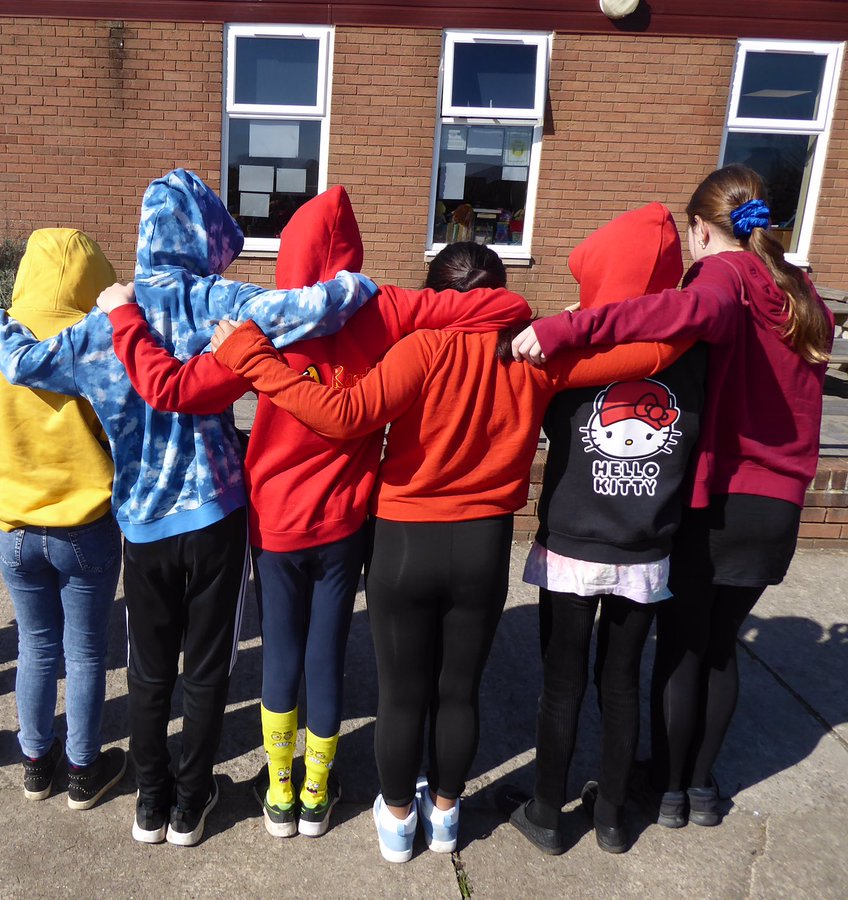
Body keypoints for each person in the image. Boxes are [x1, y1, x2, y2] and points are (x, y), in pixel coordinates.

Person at [208, 242, 686, 864]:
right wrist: (594, 320)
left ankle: (397, 825)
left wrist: (251, 358)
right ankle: (444, 816)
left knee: (400, 693)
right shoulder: (535, 352)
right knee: (459, 690)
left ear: (435, 293)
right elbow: (655, 350)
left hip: (405, 540)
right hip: (483, 545)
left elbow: (343, 413)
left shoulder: (422, 347)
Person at [99, 187, 528, 842]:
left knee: (280, 654)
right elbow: (473, 306)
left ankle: (279, 793)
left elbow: (173, 389)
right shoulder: (381, 310)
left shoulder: (263, 321)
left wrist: (127, 318)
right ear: (352, 254)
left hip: (275, 524)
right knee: (327, 654)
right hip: (347, 524)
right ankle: (316, 791)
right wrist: (527, 311)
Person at [0, 169, 377, 847]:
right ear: (202, 233)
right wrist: (359, 286)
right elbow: (316, 307)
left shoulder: (102, 324)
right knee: (209, 665)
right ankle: (193, 800)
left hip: (142, 521)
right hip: (216, 512)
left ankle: (152, 802)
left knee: (150, 666)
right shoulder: (221, 300)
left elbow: (23, 363)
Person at [511, 164, 831, 828]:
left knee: (682, 648)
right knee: (720, 648)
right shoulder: (801, 290)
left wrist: (569, 327)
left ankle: (664, 795)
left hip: (721, 497)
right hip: (780, 505)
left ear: (698, 228)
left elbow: (690, 311)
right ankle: (696, 788)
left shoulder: (722, 278)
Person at [498, 203, 705, 855]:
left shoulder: (568, 346)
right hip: (645, 544)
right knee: (620, 682)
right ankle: (613, 818)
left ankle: (546, 813)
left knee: (561, 682)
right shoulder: (697, 350)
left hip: (572, 543)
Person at [0, 229, 126, 809]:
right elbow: (120, 433)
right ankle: (83, 769)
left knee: (36, 645)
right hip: (85, 526)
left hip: (12, 528)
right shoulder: (94, 342)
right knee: (84, 653)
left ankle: (34, 761)